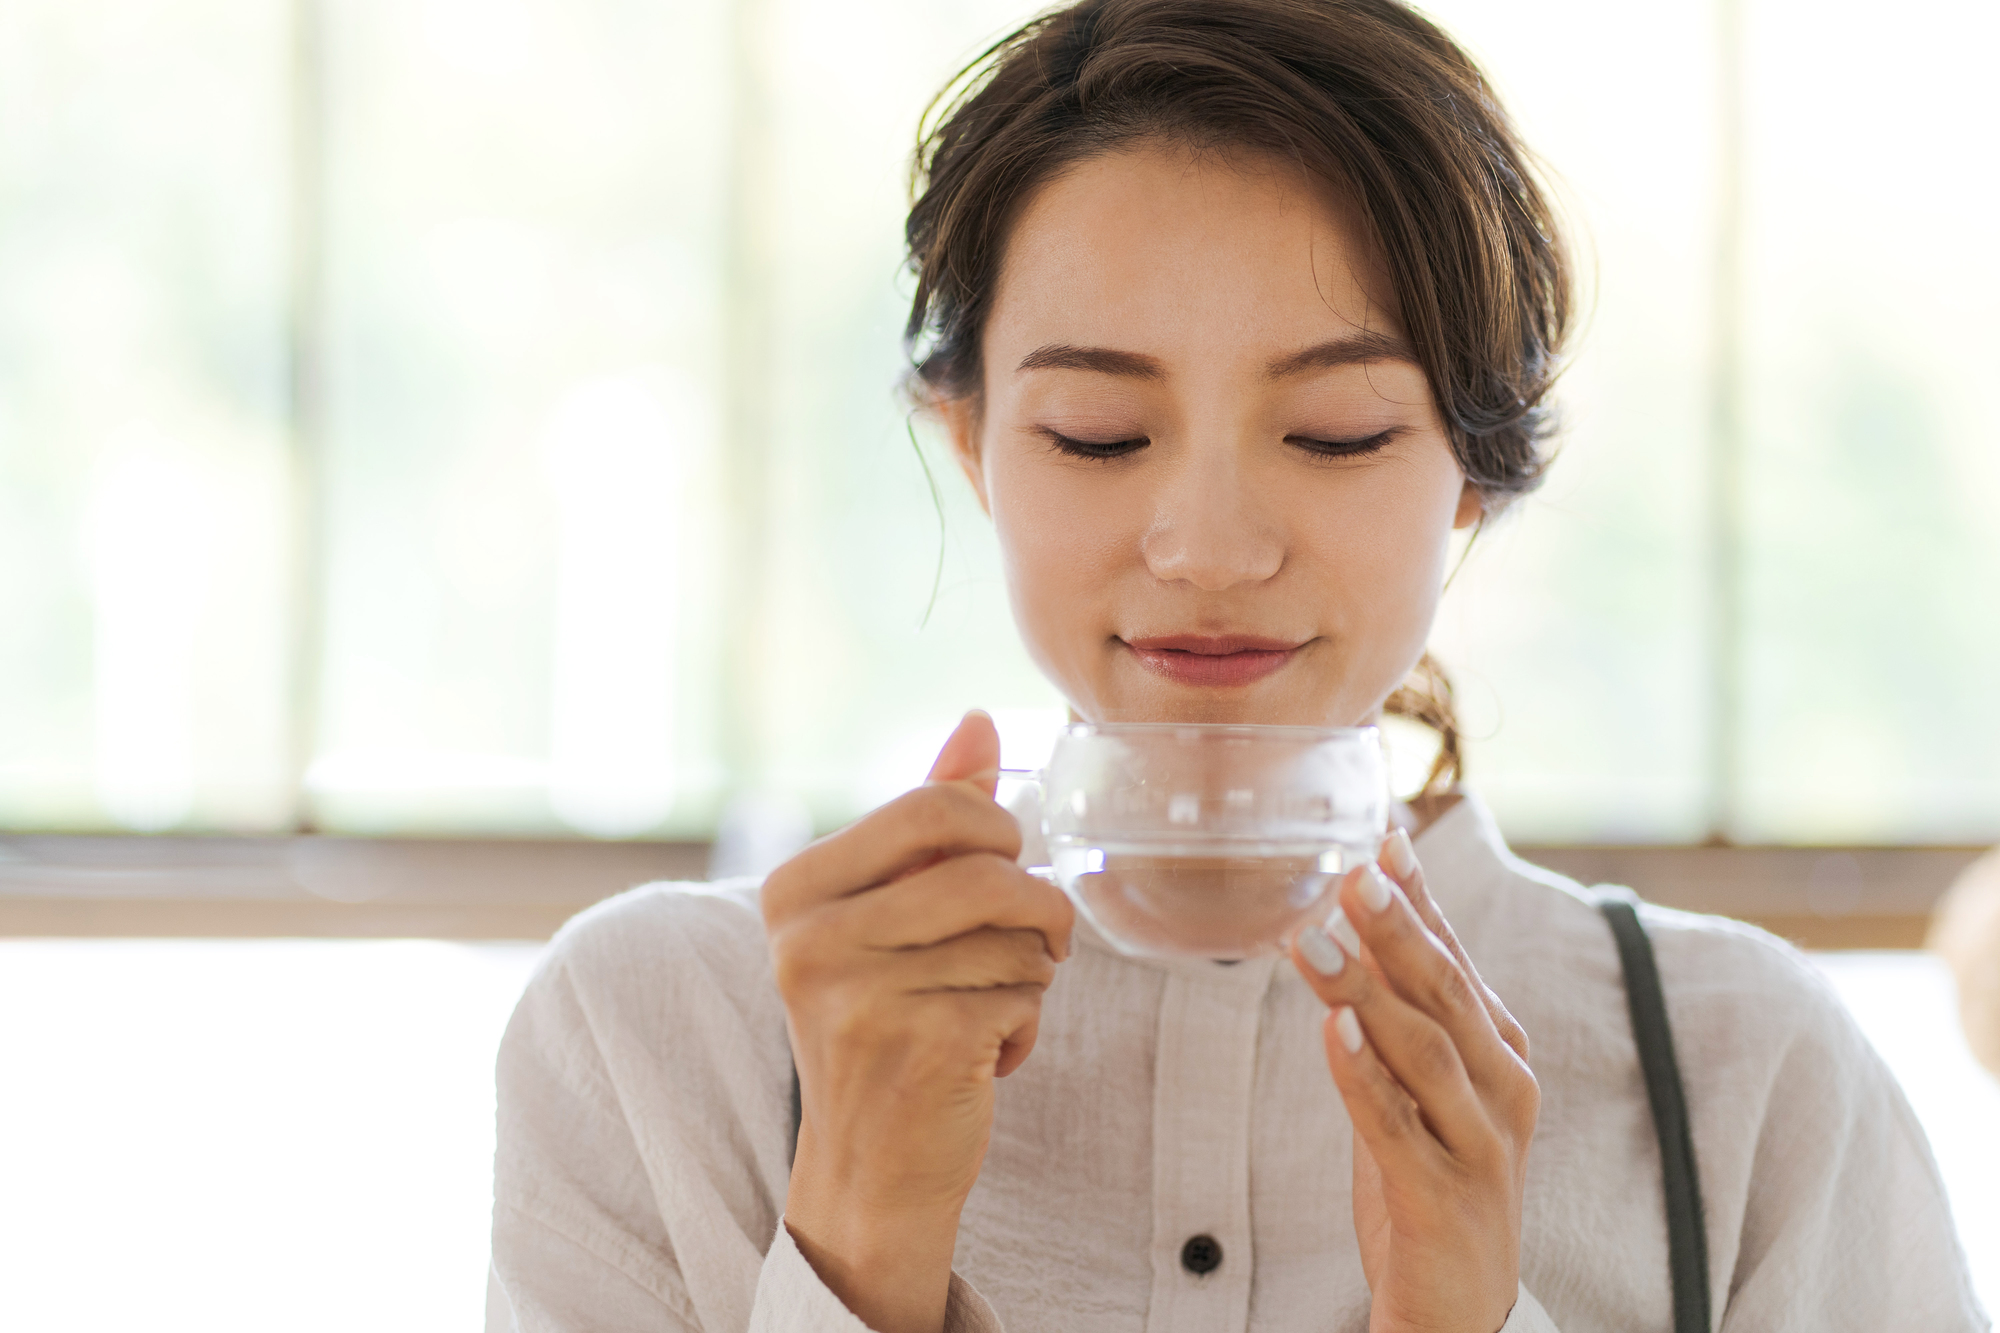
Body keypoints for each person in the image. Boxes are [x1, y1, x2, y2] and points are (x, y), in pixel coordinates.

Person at [487, 2, 1986, 1329]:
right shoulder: (656, 1037)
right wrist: (856, 1252)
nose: (1206, 544)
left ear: (1469, 470)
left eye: (1336, 434)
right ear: (975, 443)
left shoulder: (1754, 1088)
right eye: (1096, 433)